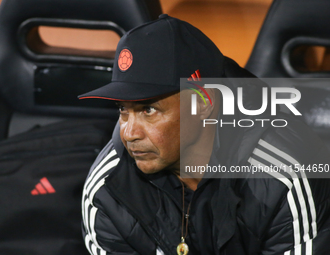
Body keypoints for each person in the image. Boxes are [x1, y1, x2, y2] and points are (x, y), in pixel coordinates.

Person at [79, 14, 330, 255]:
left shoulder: (285, 178)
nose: (129, 133)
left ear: (202, 103)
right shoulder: (107, 186)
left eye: (149, 109)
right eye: (123, 109)